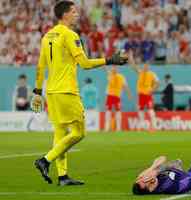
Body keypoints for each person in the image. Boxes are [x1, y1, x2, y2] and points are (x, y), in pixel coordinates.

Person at [31, 1, 128, 186]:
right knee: (79, 132)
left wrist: (37, 91)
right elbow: (84, 64)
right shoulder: (69, 34)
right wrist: (109, 60)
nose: (77, 14)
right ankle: (45, 160)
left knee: (60, 134)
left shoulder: (46, 36)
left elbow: (40, 66)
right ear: (65, 14)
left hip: (51, 92)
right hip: (67, 91)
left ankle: (63, 176)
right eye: (74, 11)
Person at [129, 53, 159, 131]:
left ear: (149, 66)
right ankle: (142, 127)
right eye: (144, 65)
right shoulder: (141, 72)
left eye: (147, 65)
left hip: (147, 95)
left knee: (150, 111)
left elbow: (158, 83)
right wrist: (131, 58)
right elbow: (133, 67)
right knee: (141, 112)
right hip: (141, 95)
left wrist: (152, 90)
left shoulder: (152, 74)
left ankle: (154, 127)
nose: (145, 67)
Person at [104, 65, 132, 132]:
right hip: (110, 95)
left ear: (117, 69)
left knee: (118, 111)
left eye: (115, 68)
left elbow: (125, 86)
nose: (113, 69)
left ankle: (118, 128)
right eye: (112, 68)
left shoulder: (121, 77)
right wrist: (102, 61)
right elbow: (105, 68)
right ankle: (106, 128)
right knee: (108, 111)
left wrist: (129, 94)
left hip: (117, 96)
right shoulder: (110, 75)